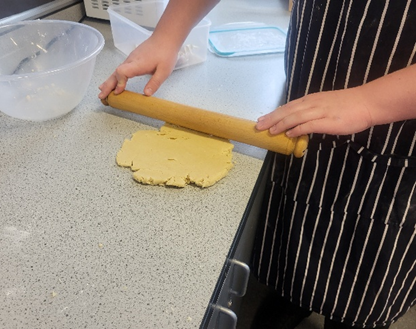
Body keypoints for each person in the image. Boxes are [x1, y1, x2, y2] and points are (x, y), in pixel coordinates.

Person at [99, 1, 416, 328]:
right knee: (298, 224)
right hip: (305, 105)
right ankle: (292, 294)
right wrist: (167, 35)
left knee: (361, 270)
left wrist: (367, 102)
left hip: (395, 136)